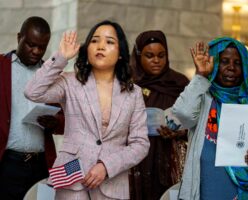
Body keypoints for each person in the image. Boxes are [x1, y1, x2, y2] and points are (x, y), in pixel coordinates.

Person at [24, 20, 150, 200]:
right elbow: (32, 91)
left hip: (112, 185)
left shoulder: (134, 93)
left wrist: (107, 166)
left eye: (109, 42)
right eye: (94, 40)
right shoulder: (70, 82)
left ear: (121, 53)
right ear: (87, 48)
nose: (100, 46)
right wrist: (61, 58)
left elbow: (140, 144)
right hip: (71, 179)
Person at [172, 37, 248, 200]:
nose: (231, 68)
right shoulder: (203, 97)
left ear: (246, 68)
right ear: (214, 64)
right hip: (204, 192)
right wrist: (200, 76)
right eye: (224, 61)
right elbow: (183, 115)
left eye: (238, 63)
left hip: (245, 193)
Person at [0, 16, 64, 200]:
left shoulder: (50, 74)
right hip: (7, 163)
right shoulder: (1, 66)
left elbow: (65, 120)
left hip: (41, 164)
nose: (36, 51)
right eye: (31, 44)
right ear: (19, 37)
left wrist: (55, 122)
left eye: (42, 47)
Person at [129, 30, 189, 200]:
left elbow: (196, 122)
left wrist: (180, 132)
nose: (156, 61)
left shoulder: (179, 83)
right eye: (149, 55)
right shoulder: (129, 83)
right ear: (138, 55)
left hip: (169, 157)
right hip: (136, 158)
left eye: (161, 55)